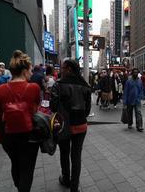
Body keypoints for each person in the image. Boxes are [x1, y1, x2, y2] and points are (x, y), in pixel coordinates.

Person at [0, 50, 40, 192]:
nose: (32, 73)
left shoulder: (0, 89)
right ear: (24, 70)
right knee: (27, 169)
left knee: (15, 163)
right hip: (29, 135)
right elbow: (35, 110)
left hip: (8, 135)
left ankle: (19, 186)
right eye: (30, 70)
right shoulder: (33, 88)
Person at [50, 59, 91, 192]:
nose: (60, 70)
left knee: (64, 153)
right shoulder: (85, 85)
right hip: (80, 125)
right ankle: (74, 187)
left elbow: (53, 106)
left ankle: (66, 179)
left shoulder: (58, 85)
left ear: (68, 69)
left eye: (62, 68)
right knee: (76, 156)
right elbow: (87, 110)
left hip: (64, 126)